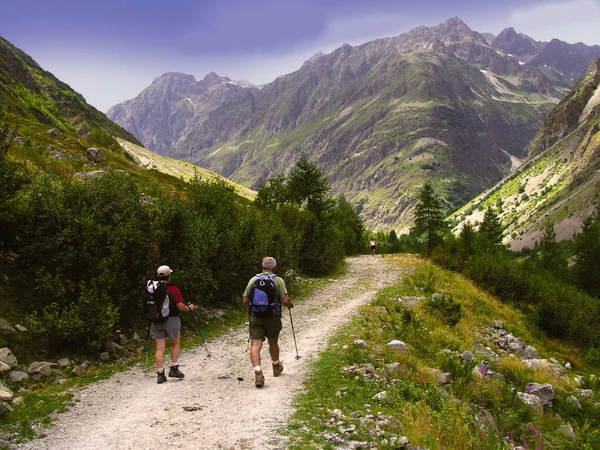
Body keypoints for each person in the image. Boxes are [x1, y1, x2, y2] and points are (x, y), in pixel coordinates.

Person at [242, 257, 293, 388]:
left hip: (256, 316)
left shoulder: (253, 280)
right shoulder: (278, 280)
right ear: (274, 267)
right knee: (273, 341)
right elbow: (285, 300)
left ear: (262, 266)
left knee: (255, 344)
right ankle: (276, 366)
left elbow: (245, 300)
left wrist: (251, 311)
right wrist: (290, 305)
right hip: (272, 317)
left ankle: (258, 370)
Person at [152, 265, 196, 384]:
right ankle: (174, 368)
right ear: (169, 276)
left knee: (160, 347)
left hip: (155, 320)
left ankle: (160, 373)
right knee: (175, 343)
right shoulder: (172, 289)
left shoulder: (152, 287)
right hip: (171, 319)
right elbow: (180, 306)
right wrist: (189, 308)